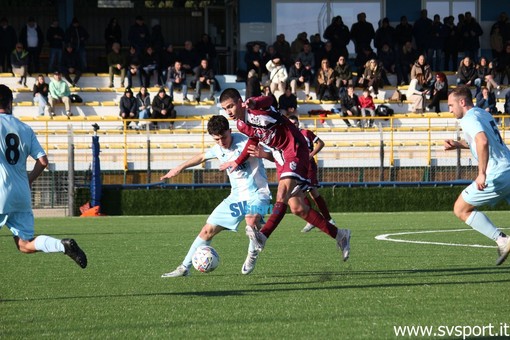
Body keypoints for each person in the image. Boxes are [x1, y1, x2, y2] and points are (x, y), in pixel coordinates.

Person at [219, 88, 351, 264]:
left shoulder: (256, 108)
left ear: (240, 101)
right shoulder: (241, 125)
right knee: (297, 208)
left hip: (294, 147)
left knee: (282, 193)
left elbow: (269, 100)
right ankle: (340, 235)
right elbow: (253, 139)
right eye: (225, 108)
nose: (229, 111)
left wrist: (255, 102)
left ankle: (263, 236)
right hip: (281, 156)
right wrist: (237, 161)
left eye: (231, 106)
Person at [160, 115, 271, 277]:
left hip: (259, 194)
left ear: (230, 131)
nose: (221, 142)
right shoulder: (218, 148)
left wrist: (262, 154)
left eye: (223, 137)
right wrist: (179, 168)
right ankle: (184, 268)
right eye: (216, 139)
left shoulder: (246, 141)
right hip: (236, 198)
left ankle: (252, 253)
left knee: (251, 220)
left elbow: (271, 154)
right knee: (207, 230)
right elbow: (201, 157)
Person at [0, 84, 87, 268]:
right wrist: (28, 180)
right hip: (21, 193)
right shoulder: (24, 128)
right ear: (10, 103)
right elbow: (43, 161)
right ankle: (62, 246)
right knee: (24, 244)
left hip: (1, 191)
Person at [444, 86, 510, 266]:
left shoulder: (468, 119)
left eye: (451, 105)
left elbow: (482, 141)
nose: (449, 110)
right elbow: (480, 140)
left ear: (462, 102)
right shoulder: (482, 113)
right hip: (509, 167)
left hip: (497, 173)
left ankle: (502, 240)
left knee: (461, 209)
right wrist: (458, 144)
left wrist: (481, 174)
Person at [287, 115, 335, 233]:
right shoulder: (288, 136)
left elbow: (321, 143)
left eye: (295, 123)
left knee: (312, 192)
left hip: (308, 166)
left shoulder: (306, 133)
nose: (294, 125)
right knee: (301, 193)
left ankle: (328, 220)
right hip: (297, 167)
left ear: (298, 124)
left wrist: (311, 154)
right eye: (291, 123)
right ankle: (312, 220)